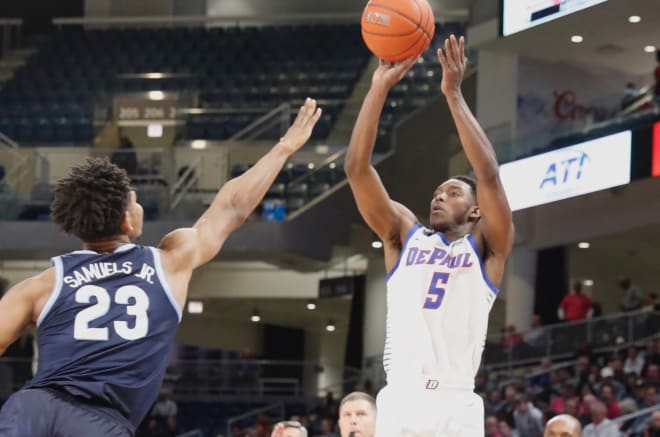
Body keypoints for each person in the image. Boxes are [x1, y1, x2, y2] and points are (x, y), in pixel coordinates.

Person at [0, 98, 322, 436]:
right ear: (127, 219)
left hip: (32, 409)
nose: (138, 206)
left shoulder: (41, 285)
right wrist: (283, 148)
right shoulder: (169, 261)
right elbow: (231, 207)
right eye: (135, 200)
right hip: (98, 423)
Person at [344, 34, 514, 437]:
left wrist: (453, 94)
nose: (439, 198)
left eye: (452, 193)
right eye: (437, 193)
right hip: (402, 395)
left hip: (456, 400)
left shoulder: (487, 247)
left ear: (476, 210)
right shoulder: (405, 235)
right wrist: (378, 89)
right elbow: (356, 168)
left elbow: (488, 172)